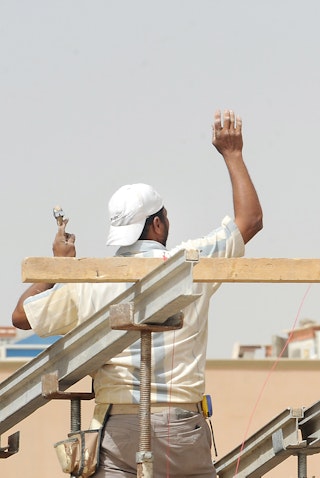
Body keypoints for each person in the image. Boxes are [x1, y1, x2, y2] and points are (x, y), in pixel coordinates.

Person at [12, 109, 263, 477]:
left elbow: (20, 317)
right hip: (182, 426)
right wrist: (233, 154)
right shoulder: (190, 262)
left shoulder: (91, 280)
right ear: (157, 223)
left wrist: (59, 268)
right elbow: (250, 221)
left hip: (120, 428)